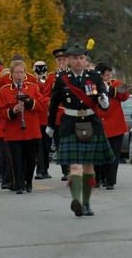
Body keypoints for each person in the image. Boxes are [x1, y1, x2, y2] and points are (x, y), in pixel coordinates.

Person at [46, 44, 114, 216]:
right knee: (75, 166)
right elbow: (54, 104)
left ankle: (86, 203)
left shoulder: (94, 77)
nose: (78, 62)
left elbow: (104, 104)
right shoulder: (62, 78)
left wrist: (104, 100)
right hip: (70, 124)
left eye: (81, 58)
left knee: (89, 167)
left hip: (92, 123)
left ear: (85, 60)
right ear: (69, 60)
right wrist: (50, 125)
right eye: (75, 58)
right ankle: (76, 200)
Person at [0, 60, 43, 194]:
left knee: (30, 158)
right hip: (14, 131)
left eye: (21, 72)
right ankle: (19, 184)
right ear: (11, 74)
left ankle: (28, 181)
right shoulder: (5, 90)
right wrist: (13, 110)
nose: (19, 75)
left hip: (31, 130)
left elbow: (41, 105)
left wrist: (29, 102)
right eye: (16, 72)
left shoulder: (33, 87)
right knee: (16, 159)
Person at [94, 62, 130, 190]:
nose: (109, 76)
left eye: (110, 73)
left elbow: (125, 95)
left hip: (116, 126)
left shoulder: (116, 84)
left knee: (113, 155)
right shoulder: (93, 85)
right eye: (106, 74)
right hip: (99, 126)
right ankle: (98, 178)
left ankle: (110, 181)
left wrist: (109, 90)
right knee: (99, 155)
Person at [43, 48, 69, 181]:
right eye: (59, 60)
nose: (62, 62)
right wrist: (51, 103)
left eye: (64, 59)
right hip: (58, 116)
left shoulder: (74, 75)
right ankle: (66, 171)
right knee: (60, 145)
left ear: (68, 60)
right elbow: (45, 96)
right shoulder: (51, 77)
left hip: (72, 115)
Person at [33, 61, 52, 180]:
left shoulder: (49, 79)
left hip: (47, 118)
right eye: (38, 68)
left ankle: (45, 169)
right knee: (38, 145)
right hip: (36, 118)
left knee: (47, 145)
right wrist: (37, 79)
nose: (40, 71)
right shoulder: (32, 82)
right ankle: (40, 170)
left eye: (42, 68)